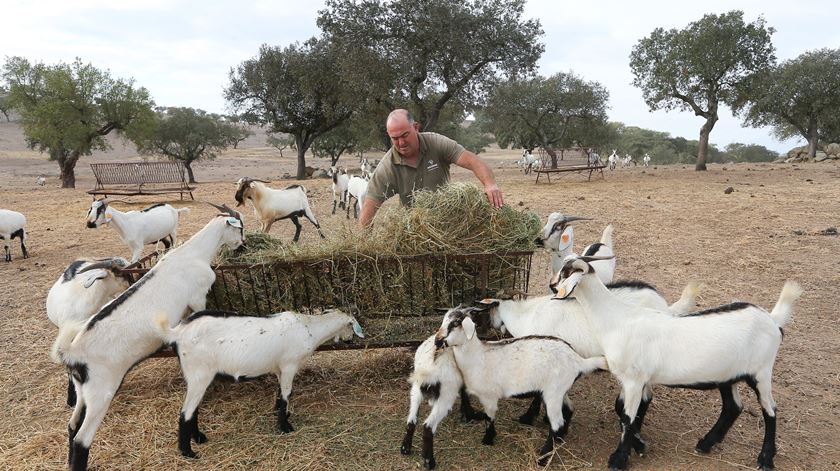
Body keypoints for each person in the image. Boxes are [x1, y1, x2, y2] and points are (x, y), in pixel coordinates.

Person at [358, 109, 503, 227]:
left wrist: (490, 184)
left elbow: (473, 161)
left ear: (415, 127)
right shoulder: (387, 167)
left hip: (448, 222)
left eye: (405, 135)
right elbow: (369, 207)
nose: (401, 143)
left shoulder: (436, 142)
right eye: (395, 138)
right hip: (413, 231)